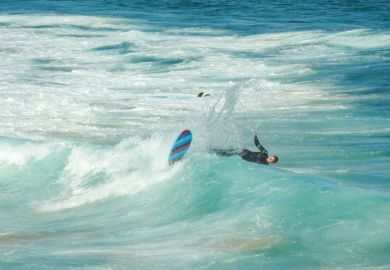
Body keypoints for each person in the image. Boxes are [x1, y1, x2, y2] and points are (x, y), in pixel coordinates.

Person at [212, 132, 278, 165]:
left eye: (272, 160)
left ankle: (216, 151)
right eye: (271, 158)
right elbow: (257, 144)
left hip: (244, 157)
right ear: (271, 156)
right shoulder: (265, 153)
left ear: (271, 162)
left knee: (231, 152)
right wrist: (255, 136)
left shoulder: (266, 163)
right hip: (245, 153)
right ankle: (215, 151)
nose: (270, 159)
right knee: (232, 152)